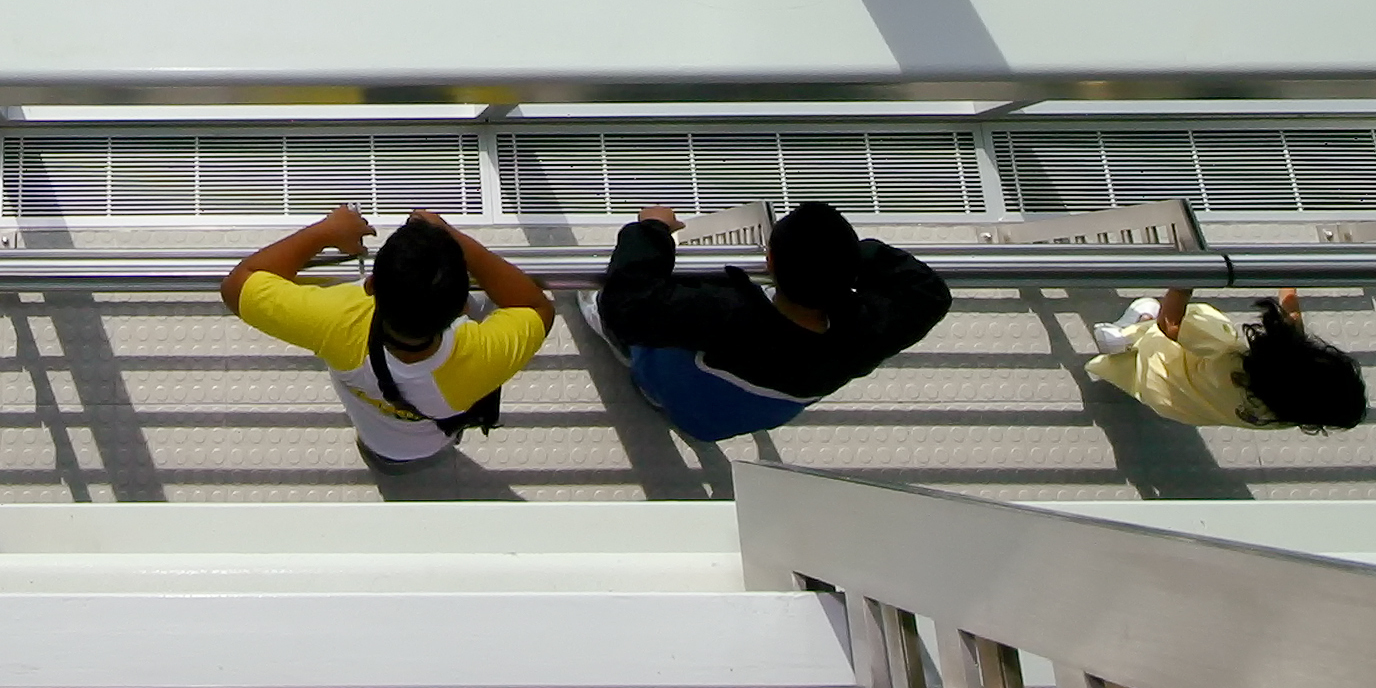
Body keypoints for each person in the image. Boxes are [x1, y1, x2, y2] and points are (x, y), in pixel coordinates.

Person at [221, 205, 551, 474]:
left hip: (375, 439)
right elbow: (535, 306)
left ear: (371, 286)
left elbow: (238, 284)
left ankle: (381, 460)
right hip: (435, 439)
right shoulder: (480, 356)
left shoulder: (337, 320)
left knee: (380, 451)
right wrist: (454, 240)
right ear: (462, 307)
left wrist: (325, 232)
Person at [593, 201, 951, 443]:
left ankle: (639, 371)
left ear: (770, 264)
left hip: (678, 393)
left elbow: (626, 306)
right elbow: (929, 293)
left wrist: (652, 231)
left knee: (626, 305)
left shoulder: (723, 312)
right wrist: (844, 255)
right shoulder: (867, 333)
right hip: (724, 423)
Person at [1084, 286, 1370, 432]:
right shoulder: (1286, 413)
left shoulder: (1227, 355)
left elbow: (1171, 324)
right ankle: (1132, 336)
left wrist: (1186, 276)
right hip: (1171, 403)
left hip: (1160, 361)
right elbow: (1292, 336)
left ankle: (1132, 335)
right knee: (1163, 376)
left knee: (1209, 323)